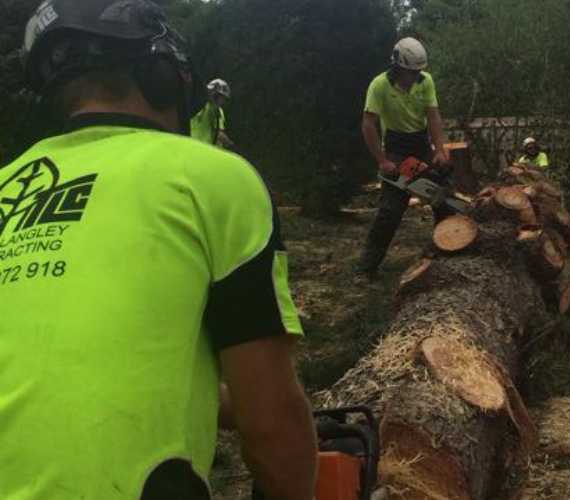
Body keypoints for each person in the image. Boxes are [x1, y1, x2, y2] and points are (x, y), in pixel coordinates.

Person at [0, 1, 317, 499]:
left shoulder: (6, 186)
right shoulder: (215, 178)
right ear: (161, 76)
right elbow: (272, 424)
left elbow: (64, 368)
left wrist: (220, 401)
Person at [356, 37, 451, 281]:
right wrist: (382, 160)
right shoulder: (379, 85)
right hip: (396, 148)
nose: (414, 76)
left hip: (420, 143)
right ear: (397, 66)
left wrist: (440, 149)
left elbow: (433, 117)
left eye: (418, 71)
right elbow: (368, 124)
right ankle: (366, 269)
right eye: (410, 72)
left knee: (442, 198)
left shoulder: (425, 81)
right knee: (390, 210)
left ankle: (448, 251)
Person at [190, 78, 234, 148]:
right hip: (207, 149)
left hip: (192, 146)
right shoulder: (217, 110)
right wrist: (230, 144)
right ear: (217, 95)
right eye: (223, 98)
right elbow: (219, 134)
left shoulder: (197, 104)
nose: (223, 101)